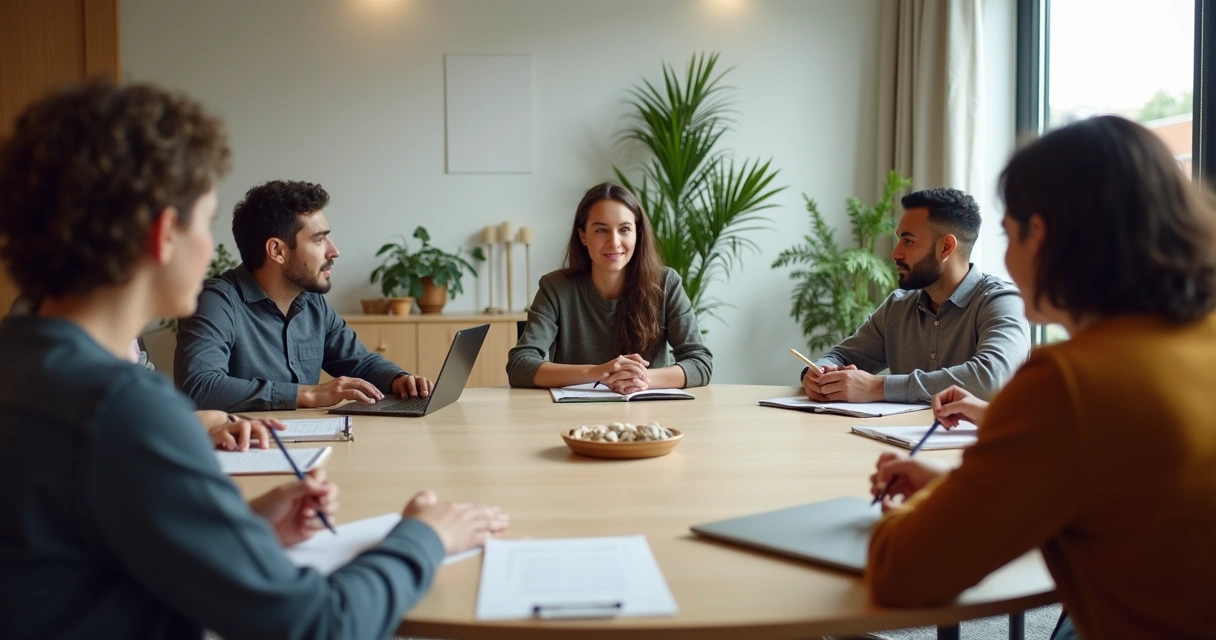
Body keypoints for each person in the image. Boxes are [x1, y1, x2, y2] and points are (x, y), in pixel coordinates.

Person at [0, 80, 508, 640]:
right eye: (206, 219)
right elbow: (317, 625)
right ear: (165, 233)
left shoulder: (24, 364)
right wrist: (425, 538)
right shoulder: (123, 411)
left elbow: (96, 557)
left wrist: (240, 529)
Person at [865, 116, 1216, 639]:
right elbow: (1119, 499)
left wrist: (932, 505)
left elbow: (901, 571)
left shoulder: (1070, 382)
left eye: (1008, 234)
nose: (1004, 257)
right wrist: (966, 488)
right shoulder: (1197, 340)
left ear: (1041, 235)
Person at [175, 180, 433, 412]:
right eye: (319, 240)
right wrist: (309, 394)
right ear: (277, 250)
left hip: (306, 442)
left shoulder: (311, 301)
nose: (334, 252)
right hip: (247, 451)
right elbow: (199, 387)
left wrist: (399, 380)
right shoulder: (216, 301)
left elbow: (359, 363)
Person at [799, 188, 1030, 404]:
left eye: (908, 241)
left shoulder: (1003, 302)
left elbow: (990, 379)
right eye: (899, 239)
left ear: (946, 247)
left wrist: (878, 388)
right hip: (900, 442)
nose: (895, 252)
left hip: (980, 446)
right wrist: (818, 373)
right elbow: (841, 356)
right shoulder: (897, 307)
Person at [506, 182, 712, 392]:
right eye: (601, 230)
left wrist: (640, 379)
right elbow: (520, 365)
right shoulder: (556, 288)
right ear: (583, 236)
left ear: (637, 234)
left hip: (649, 415)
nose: (614, 242)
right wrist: (599, 373)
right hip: (575, 417)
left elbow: (700, 363)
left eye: (624, 229)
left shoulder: (666, 283)